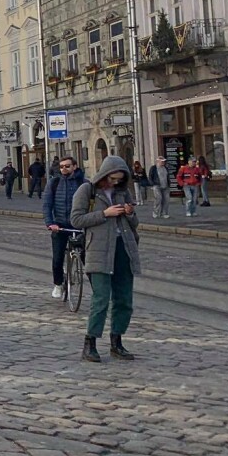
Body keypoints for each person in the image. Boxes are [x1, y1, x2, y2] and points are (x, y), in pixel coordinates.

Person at [70, 155, 140, 362]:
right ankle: (90, 343)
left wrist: (129, 213)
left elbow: (134, 223)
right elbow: (76, 219)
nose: (115, 182)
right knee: (101, 299)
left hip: (123, 249)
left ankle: (116, 342)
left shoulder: (123, 192)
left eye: (119, 179)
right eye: (112, 178)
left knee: (124, 299)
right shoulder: (87, 190)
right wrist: (105, 213)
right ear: (104, 175)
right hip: (98, 251)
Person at [43, 156, 86, 299]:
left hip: (78, 224)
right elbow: (47, 205)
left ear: (74, 166)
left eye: (67, 166)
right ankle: (58, 284)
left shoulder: (83, 183)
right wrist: (50, 223)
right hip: (59, 225)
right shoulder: (54, 183)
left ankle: (98, 289)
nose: (64, 169)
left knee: (88, 258)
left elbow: (91, 203)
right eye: (61, 167)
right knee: (57, 258)